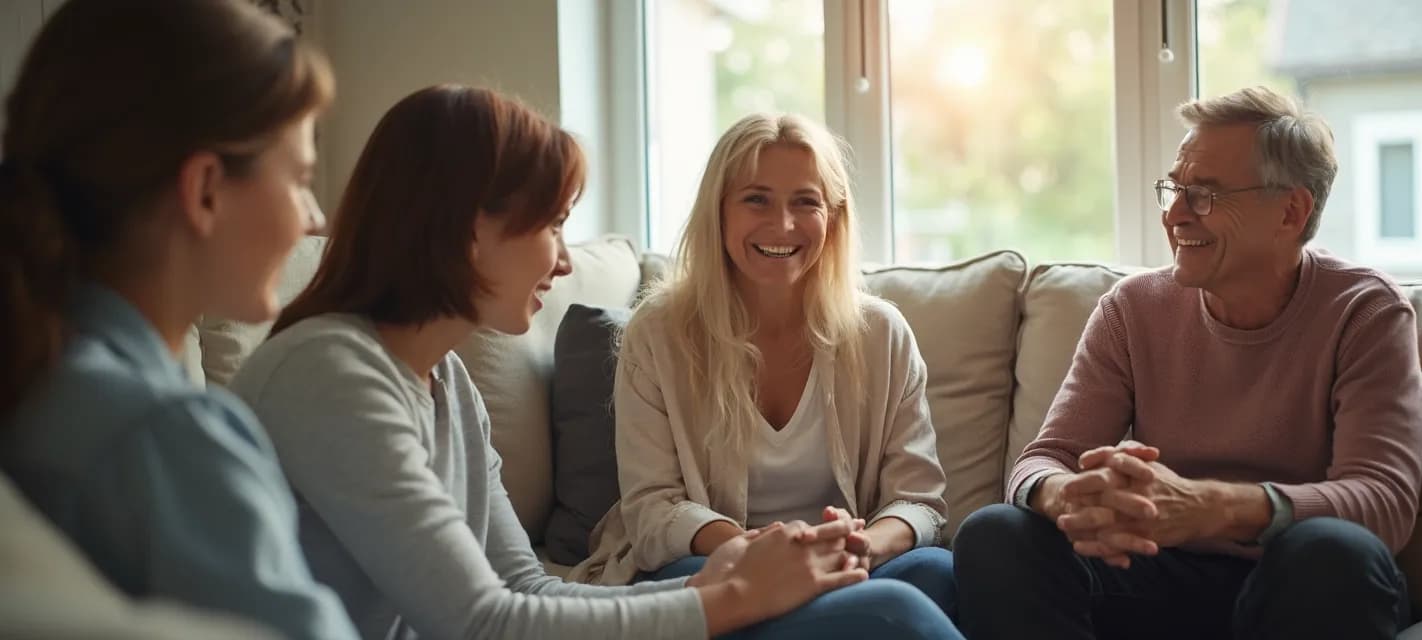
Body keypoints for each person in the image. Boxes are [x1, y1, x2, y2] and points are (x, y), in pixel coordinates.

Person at [229, 85, 903, 640]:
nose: (564, 259)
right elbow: (482, 621)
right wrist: (729, 599)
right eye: (551, 224)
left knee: (904, 597)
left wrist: (715, 581)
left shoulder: (446, 385)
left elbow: (527, 587)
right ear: (466, 229)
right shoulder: (330, 375)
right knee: (894, 614)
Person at [954, 86, 1422, 640]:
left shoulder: (1365, 312)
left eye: (1203, 194)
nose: (1174, 214)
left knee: (1333, 553)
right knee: (997, 533)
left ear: (1290, 211)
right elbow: (1044, 460)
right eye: (1173, 189)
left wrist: (1216, 506)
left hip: (1294, 580)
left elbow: (1384, 502)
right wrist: (1068, 496)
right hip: (1157, 573)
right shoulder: (1131, 309)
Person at [0, 1, 356, 638]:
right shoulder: (168, 439)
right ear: (206, 191)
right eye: (301, 178)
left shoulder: (36, 383)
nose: (315, 218)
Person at [573, 112, 961, 635]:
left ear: (833, 217)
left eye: (806, 202)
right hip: (720, 558)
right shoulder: (659, 332)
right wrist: (769, 554)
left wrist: (860, 546)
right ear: (719, 212)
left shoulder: (881, 333)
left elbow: (918, 501)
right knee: (700, 584)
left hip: (850, 561)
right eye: (756, 199)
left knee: (933, 572)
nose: (783, 225)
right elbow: (652, 507)